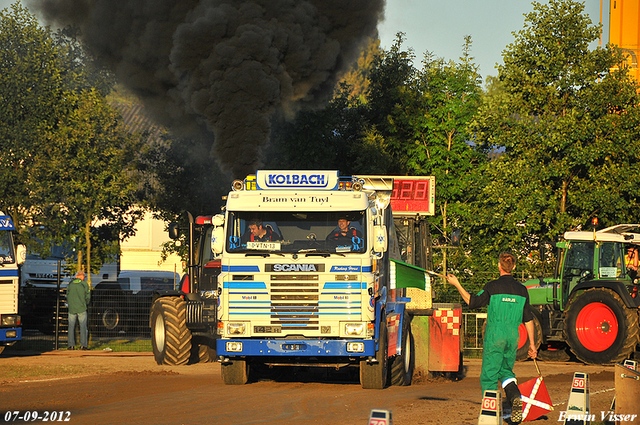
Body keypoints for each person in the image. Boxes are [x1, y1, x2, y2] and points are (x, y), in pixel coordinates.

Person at [446, 252, 537, 424]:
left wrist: (457, 283)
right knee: (505, 372)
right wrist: (532, 345)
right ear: (514, 267)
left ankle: (489, 416)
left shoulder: (492, 287)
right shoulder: (522, 290)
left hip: (495, 335)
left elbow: (472, 302)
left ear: (499, 266)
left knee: (489, 376)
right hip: (513, 337)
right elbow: (529, 319)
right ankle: (515, 396)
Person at [67, 270, 91, 350]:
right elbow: (88, 296)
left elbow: (67, 294)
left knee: (71, 326)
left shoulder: (70, 284)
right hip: (82, 308)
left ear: (76, 276)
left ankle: (71, 345)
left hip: (72, 308)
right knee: (83, 326)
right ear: (83, 277)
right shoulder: (84, 284)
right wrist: (85, 303)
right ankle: (83, 345)